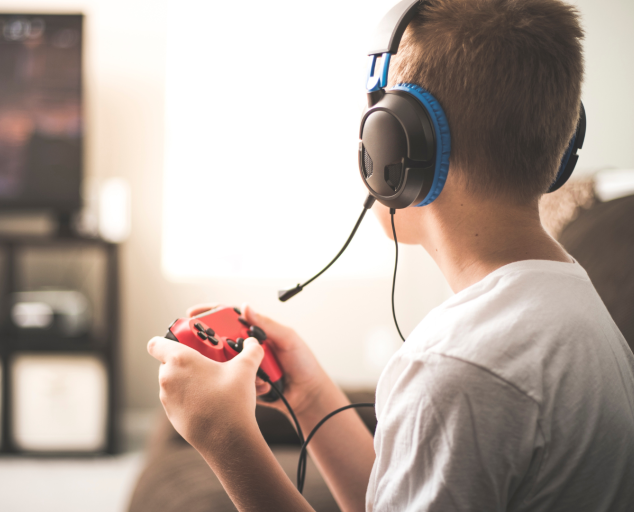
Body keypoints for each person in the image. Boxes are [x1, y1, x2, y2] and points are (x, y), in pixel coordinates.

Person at [147, 0, 634, 510]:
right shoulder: (574, 307)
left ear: (395, 148)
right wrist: (310, 397)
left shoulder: (456, 370)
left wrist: (225, 438)